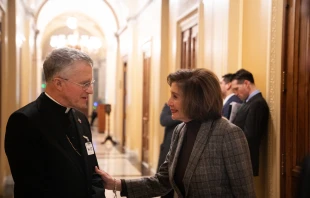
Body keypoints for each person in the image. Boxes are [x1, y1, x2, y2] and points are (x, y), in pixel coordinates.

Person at [95, 68, 256, 197]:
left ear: (195, 100)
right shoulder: (181, 130)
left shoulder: (228, 134)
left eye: (175, 96)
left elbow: (245, 193)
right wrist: (115, 184)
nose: (169, 102)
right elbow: (163, 181)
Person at [5, 47, 105, 198]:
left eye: (91, 83)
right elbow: (31, 188)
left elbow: (94, 173)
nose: (90, 90)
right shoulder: (25, 121)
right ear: (58, 83)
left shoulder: (81, 118)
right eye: (84, 84)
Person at [231, 69, 269, 176]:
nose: (235, 93)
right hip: (240, 160)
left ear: (246, 83)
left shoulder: (258, 104)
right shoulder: (249, 102)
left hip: (244, 161)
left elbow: (250, 137)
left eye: (236, 89)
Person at [157, 103, 181, 198]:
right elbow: (163, 120)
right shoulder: (169, 105)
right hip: (168, 146)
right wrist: (180, 116)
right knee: (165, 180)